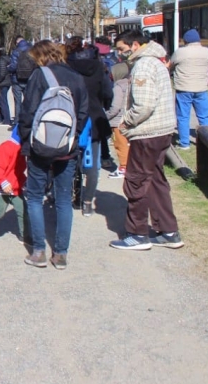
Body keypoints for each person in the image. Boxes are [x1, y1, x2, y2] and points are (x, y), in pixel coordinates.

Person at [17, 40, 89, 270]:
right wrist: (72, 138)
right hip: (66, 148)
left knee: (35, 197)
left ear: (40, 56)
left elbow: (27, 113)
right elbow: (83, 112)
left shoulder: (39, 76)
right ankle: (60, 254)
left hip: (40, 146)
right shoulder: (77, 77)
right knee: (63, 200)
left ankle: (39, 251)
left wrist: (27, 142)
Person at [110, 30, 184, 250]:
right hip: (160, 131)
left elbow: (144, 105)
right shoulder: (156, 61)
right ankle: (169, 231)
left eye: (122, 49)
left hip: (148, 133)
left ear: (134, 45)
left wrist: (126, 122)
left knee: (136, 181)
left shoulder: (143, 65)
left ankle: (137, 233)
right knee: (155, 182)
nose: (120, 55)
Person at [65, 36, 113, 217]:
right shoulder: (99, 68)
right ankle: (87, 202)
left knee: (68, 158)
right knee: (93, 162)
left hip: (72, 118)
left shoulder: (67, 68)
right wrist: (104, 105)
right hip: (93, 118)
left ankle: (68, 195)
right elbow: (108, 92)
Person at [169, 29, 208, 150]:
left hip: (184, 88)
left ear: (185, 40)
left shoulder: (181, 52)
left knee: (183, 116)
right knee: (204, 116)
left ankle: (184, 143)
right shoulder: (206, 51)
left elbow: (171, 65)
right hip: (202, 88)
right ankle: (207, 142)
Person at [105, 61, 131, 180]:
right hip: (129, 119)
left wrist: (107, 115)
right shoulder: (131, 84)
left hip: (117, 121)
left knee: (120, 145)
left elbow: (115, 107)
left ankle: (123, 167)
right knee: (129, 145)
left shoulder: (118, 87)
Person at [8, 36, 34, 125]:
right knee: (29, 100)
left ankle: (17, 121)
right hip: (29, 79)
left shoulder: (16, 51)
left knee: (17, 102)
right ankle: (28, 120)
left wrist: (9, 69)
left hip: (17, 79)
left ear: (17, 42)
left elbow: (13, 66)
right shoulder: (32, 50)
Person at [0, 47, 12, 126]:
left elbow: (2, 73)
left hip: (3, 83)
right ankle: (3, 118)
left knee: (3, 101)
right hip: (5, 82)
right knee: (0, 101)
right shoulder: (5, 59)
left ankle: (6, 120)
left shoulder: (2, 61)